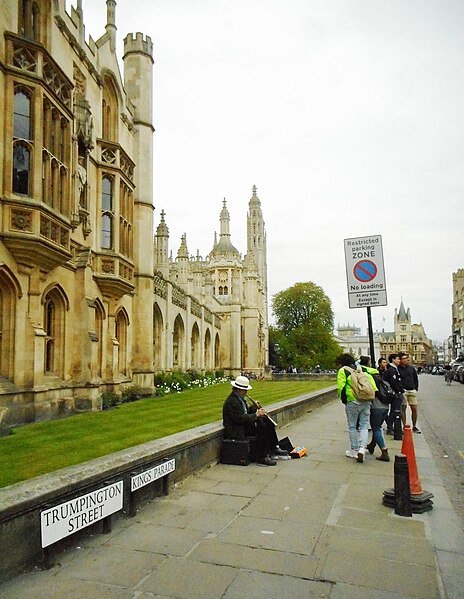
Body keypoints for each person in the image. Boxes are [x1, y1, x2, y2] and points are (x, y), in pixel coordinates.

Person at [222, 375, 288, 466]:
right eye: (245, 390)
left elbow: (245, 412)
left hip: (241, 425)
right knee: (262, 427)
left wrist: (254, 408)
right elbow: (240, 418)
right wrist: (256, 415)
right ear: (239, 390)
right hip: (236, 430)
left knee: (267, 422)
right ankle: (262, 456)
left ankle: (273, 447)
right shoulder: (232, 402)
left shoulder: (239, 399)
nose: (246, 392)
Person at [336, 353, 376, 463]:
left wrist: (344, 400)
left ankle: (354, 449)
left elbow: (341, 387)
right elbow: (374, 372)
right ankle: (362, 448)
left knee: (352, 426)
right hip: (365, 399)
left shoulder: (343, 370)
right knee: (364, 425)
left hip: (352, 400)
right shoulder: (361, 368)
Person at [366, 357, 390, 461]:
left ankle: (384, 451)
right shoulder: (384, 383)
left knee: (375, 428)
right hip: (385, 407)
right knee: (378, 427)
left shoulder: (373, 384)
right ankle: (372, 445)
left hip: (376, 408)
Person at [398, 352, 420, 433]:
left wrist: (416, 388)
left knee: (414, 408)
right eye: (403, 359)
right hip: (403, 390)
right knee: (403, 408)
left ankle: (414, 426)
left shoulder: (411, 368)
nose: (406, 360)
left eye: (406, 358)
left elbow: (415, 378)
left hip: (411, 390)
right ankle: (404, 426)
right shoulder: (398, 369)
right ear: (400, 360)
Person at [383, 353, 404, 435]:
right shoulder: (392, 370)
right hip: (395, 394)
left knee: (395, 411)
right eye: (398, 359)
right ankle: (391, 428)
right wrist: (398, 391)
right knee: (395, 411)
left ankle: (394, 427)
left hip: (396, 392)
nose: (399, 361)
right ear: (393, 360)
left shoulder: (394, 369)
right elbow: (393, 382)